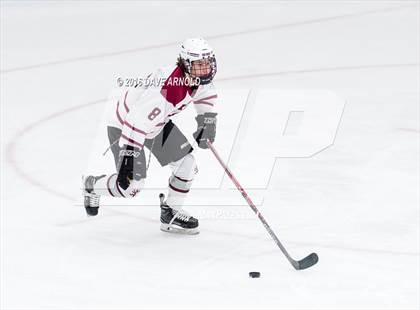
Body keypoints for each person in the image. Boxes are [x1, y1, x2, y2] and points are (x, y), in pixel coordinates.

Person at [83, 38, 218, 235]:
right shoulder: (168, 87)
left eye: (208, 63)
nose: (205, 69)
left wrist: (207, 119)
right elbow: (136, 121)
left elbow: (206, 95)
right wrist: (129, 154)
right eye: (199, 65)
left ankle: (171, 212)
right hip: (125, 127)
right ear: (185, 63)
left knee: (187, 164)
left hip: (155, 126)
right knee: (130, 187)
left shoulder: (198, 77)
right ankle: (92, 185)